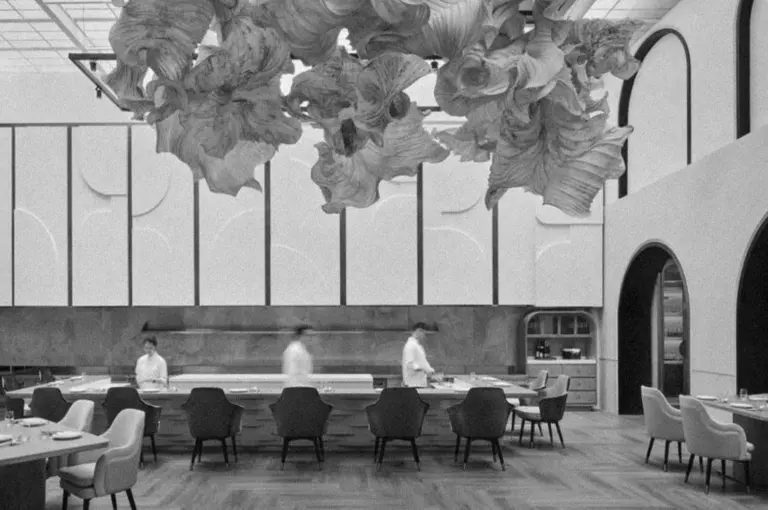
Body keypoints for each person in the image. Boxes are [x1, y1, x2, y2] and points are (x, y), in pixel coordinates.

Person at [402, 323, 438, 388]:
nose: (424, 336)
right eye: (424, 333)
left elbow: (422, 362)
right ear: (419, 331)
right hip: (413, 385)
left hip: (418, 383)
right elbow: (410, 365)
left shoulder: (416, 345)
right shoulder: (410, 345)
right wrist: (425, 370)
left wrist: (430, 371)